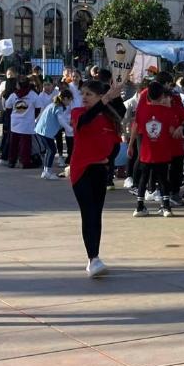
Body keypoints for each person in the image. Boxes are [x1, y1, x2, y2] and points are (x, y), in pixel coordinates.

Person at [70, 79, 124, 278]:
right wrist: (106, 99)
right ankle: (92, 259)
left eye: (89, 94)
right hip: (82, 170)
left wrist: (108, 160)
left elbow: (116, 144)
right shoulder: (78, 113)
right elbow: (86, 121)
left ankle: (95, 256)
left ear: (99, 96)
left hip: (100, 171)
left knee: (97, 214)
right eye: (83, 93)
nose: (84, 97)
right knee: (88, 213)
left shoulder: (109, 118)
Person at [128, 81, 180, 217]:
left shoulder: (142, 110)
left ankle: (139, 207)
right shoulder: (167, 111)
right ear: (162, 95)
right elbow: (172, 131)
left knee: (143, 179)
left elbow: (135, 128)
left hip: (146, 151)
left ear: (148, 96)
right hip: (162, 151)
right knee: (163, 179)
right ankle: (166, 207)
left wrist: (130, 145)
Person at [35, 90, 73, 180]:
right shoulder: (58, 107)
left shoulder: (54, 105)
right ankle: (47, 172)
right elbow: (61, 120)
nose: (70, 102)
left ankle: (46, 171)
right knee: (52, 150)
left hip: (42, 130)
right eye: (70, 100)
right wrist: (70, 129)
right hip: (45, 132)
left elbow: (61, 119)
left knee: (50, 150)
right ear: (65, 99)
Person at [4, 78, 39, 167]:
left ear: (19, 85)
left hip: (15, 122)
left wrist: (12, 116)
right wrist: (32, 116)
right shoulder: (33, 95)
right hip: (27, 123)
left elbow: (7, 107)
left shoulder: (13, 95)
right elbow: (38, 107)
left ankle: (12, 161)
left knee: (13, 143)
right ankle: (25, 162)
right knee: (25, 144)